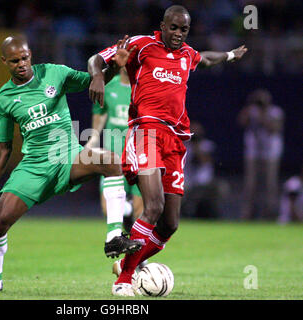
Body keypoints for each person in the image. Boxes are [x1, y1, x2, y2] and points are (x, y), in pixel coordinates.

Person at [88, 5, 248, 296]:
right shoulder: (141, 44)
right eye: (172, 27)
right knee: (153, 206)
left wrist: (229, 55)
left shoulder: (188, 54)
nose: (177, 34)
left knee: (170, 223)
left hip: (175, 141)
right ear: (162, 25)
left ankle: (130, 263)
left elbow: (207, 59)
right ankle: (123, 280)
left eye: (183, 29)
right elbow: (96, 58)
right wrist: (99, 76)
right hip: (145, 132)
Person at [0, 35, 142, 293]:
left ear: (31, 54)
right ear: (4, 61)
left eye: (25, 58)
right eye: (15, 60)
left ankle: (113, 238)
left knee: (110, 162)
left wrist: (115, 67)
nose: (21, 64)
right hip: (34, 166)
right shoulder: (3, 99)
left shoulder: (54, 73)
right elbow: (3, 149)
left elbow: (92, 82)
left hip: (68, 156)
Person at [85, 67, 144, 233]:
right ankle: (126, 209)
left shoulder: (144, 87)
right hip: (114, 156)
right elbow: (100, 113)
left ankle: (138, 253)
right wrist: (93, 139)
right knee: (108, 209)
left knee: (140, 211)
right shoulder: (108, 86)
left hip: (141, 155)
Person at [237, 88, 284, 220]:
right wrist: (249, 108)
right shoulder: (251, 111)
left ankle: (269, 214)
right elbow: (241, 122)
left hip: (270, 153)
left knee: (270, 184)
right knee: (250, 184)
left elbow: (274, 128)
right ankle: (247, 214)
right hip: (253, 151)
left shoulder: (275, 112)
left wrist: (262, 114)